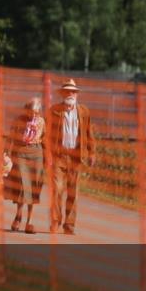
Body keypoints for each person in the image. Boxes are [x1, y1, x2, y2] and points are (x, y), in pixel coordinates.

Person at [46, 79, 97, 235]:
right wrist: (47, 154)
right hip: (58, 156)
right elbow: (46, 135)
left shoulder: (84, 112)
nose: (70, 94)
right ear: (62, 94)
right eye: (67, 91)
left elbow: (89, 134)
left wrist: (92, 152)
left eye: (73, 92)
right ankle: (55, 222)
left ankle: (69, 225)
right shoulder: (54, 110)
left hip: (76, 157)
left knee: (73, 193)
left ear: (77, 94)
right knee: (57, 190)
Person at [4, 97, 45, 234]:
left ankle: (30, 222)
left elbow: (45, 139)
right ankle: (18, 216)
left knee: (34, 186)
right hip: (20, 152)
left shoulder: (41, 121)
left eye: (37, 112)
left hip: (36, 153)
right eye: (32, 111)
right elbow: (10, 136)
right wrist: (6, 152)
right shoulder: (19, 120)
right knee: (22, 185)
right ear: (26, 109)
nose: (34, 115)